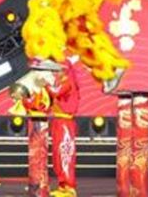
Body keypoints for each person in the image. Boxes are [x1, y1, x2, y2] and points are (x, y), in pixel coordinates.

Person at [46, 61, 80, 197]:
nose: (54, 73)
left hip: (65, 123)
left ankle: (70, 188)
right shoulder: (59, 82)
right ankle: (62, 186)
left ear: (64, 70)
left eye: (56, 70)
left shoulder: (68, 82)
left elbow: (56, 92)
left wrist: (44, 84)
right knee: (57, 156)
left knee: (65, 154)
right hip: (58, 122)